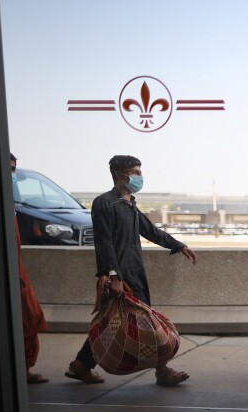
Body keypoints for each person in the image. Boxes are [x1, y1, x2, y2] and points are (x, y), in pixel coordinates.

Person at [64, 155, 197, 386]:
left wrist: (178, 245)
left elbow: (150, 231)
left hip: (135, 271)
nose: (139, 177)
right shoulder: (104, 203)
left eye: (140, 172)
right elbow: (104, 242)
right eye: (135, 172)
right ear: (118, 175)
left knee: (111, 321)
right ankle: (162, 370)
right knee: (145, 322)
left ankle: (81, 365)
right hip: (121, 275)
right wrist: (114, 275)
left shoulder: (130, 203)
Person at [11, 153, 49, 384]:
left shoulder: (10, 205)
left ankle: (22, 368)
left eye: (13, 169)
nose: (12, 174)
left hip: (18, 272)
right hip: (12, 274)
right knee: (29, 319)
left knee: (31, 319)